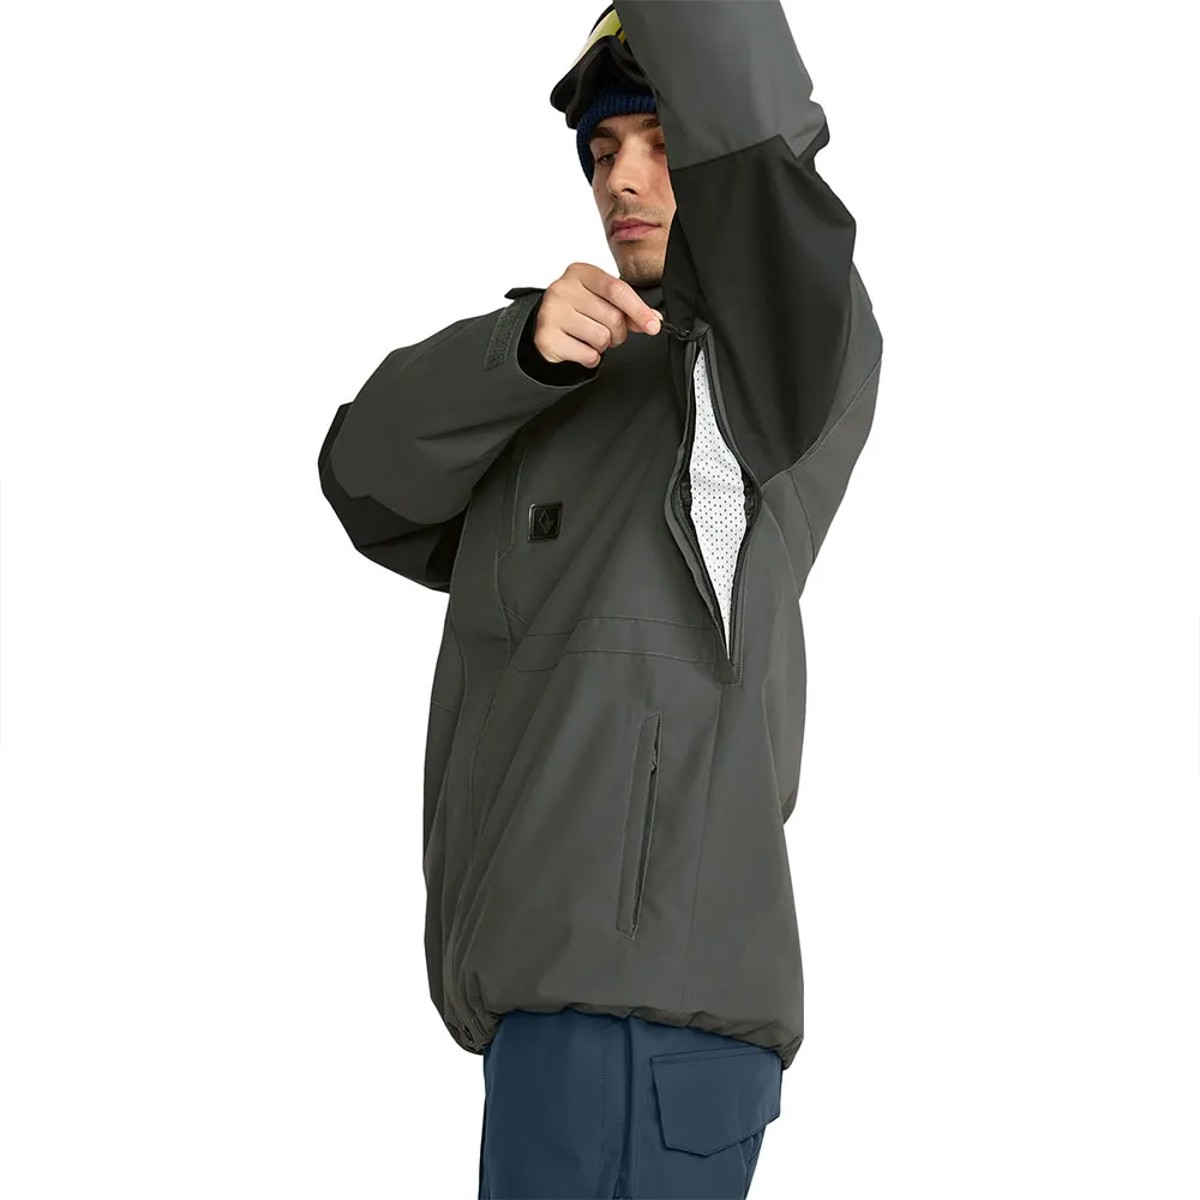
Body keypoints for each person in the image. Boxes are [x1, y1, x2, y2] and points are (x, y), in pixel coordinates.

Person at [317, 2, 882, 1195]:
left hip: (640, 1021)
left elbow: (762, 147)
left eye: (663, 144)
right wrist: (519, 352)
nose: (622, 180)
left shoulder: (757, 373)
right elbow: (363, 480)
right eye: (602, 152)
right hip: (555, 1016)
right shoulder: (562, 380)